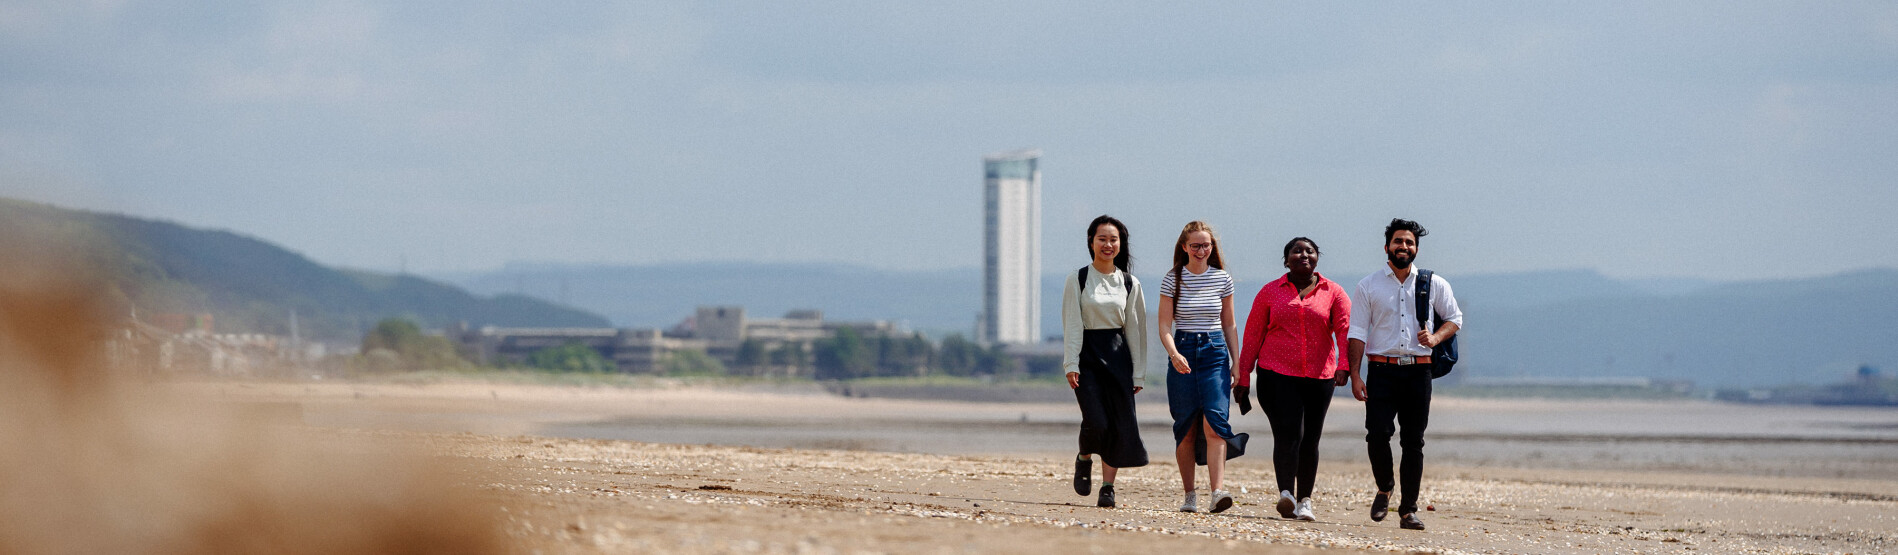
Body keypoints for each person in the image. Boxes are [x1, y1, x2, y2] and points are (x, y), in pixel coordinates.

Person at [1345, 218, 1463, 531]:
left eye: (1409, 243)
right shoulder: (1368, 285)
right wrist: (1355, 374)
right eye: (1398, 241)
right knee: (1377, 433)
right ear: (1387, 247)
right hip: (1381, 370)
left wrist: (1436, 338)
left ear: (1416, 249)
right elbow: (1357, 330)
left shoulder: (1433, 283)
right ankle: (1385, 487)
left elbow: (1454, 318)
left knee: (1414, 441)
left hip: (1418, 372)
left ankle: (1408, 510)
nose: (1404, 247)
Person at [1235, 237, 1351, 522]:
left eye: (1309, 251)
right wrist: (1243, 377)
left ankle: (1305, 501)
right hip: (1276, 374)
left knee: (1310, 439)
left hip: (1319, 377)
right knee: (1288, 433)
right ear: (1286, 260)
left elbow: (1345, 331)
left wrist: (1345, 366)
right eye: (1296, 251)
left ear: (1317, 258)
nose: (1304, 255)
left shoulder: (1334, 292)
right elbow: (1252, 335)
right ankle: (1286, 493)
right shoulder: (1270, 291)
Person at [1156, 221, 1247, 514]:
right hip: (1183, 350)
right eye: (1194, 245)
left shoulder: (1222, 279)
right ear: (1184, 247)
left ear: (1212, 247)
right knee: (1185, 427)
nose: (1200, 250)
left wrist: (1237, 362)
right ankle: (1189, 495)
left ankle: (1217, 491)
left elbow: (1229, 323)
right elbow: (1164, 324)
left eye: (1205, 245)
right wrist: (1173, 353)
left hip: (1214, 352)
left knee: (1215, 422)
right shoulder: (1173, 279)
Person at [1063, 215, 1150, 508]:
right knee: (1096, 420)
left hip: (1118, 356)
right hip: (1087, 355)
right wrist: (1071, 363)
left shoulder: (1129, 282)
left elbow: (1136, 331)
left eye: (1113, 239)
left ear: (1121, 244)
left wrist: (1138, 374)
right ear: (1091, 242)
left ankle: (1108, 487)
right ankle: (1084, 457)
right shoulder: (1078, 279)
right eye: (1102, 239)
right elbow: (1072, 324)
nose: (1108, 244)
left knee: (1118, 423)